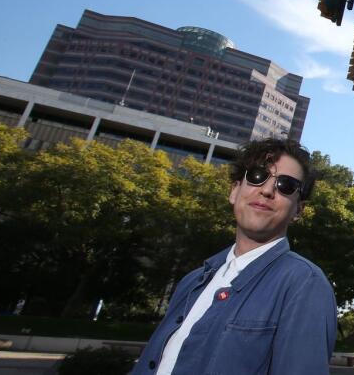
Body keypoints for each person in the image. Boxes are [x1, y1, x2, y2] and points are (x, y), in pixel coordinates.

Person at [132, 139, 337, 375]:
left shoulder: (304, 284)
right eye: (258, 176)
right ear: (234, 191)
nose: (267, 190)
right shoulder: (192, 281)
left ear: (297, 211)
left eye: (286, 185)